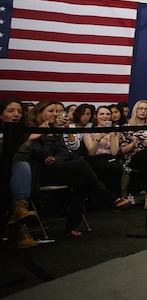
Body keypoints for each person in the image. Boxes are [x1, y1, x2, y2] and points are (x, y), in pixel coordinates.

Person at [16, 102, 131, 237]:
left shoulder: (54, 130)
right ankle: (106, 196)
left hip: (55, 167)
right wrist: (48, 140)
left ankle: (72, 226)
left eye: (56, 111)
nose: (55, 114)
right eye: (51, 111)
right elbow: (39, 153)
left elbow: (63, 152)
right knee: (79, 164)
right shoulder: (30, 131)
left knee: (81, 181)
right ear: (39, 113)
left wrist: (54, 158)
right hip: (36, 173)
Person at [1, 97, 39, 247]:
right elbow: (6, 161)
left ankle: (20, 213)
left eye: (19, 111)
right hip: (4, 171)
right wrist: (28, 143)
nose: (16, 114)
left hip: (13, 173)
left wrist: (28, 142)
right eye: (11, 111)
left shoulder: (23, 133)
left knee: (22, 167)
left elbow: (15, 161)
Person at [82, 105, 124, 197]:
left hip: (109, 158)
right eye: (102, 114)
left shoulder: (115, 132)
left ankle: (116, 197)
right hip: (95, 159)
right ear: (95, 116)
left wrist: (113, 135)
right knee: (105, 168)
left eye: (108, 114)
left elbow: (114, 152)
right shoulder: (88, 132)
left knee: (116, 167)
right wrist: (99, 137)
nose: (105, 116)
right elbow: (91, 153)